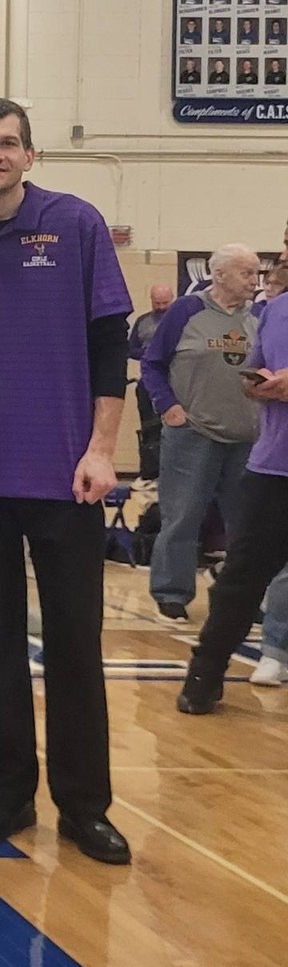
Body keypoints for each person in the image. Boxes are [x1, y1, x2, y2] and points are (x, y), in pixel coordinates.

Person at [0, 98, 133, 865]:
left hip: (66, 475)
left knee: (75, 644)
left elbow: (110, 344)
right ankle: (8, 794)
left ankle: (84, 807)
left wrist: (102, 449)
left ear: (30, 156)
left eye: (8, 143)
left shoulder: (75, 223)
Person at [180, 275, 288, 714]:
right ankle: (205, 673)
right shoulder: (276, 310)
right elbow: (254, 369)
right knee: (240, 579)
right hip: (272, 467)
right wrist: (255, 386)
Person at [141, 245, 260, 621]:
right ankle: (172, 592)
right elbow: (152, 364)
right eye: (246, 273)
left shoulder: (258, 317)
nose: (254, 281)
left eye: (256, 273)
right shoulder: (186, 311)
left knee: (247, 524)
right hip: (193, 433)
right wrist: (168, 406)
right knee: (183, 516)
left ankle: (240, 596)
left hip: (247, 438)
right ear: (219, 274)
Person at [130, 283, 176, 479]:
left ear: (172, 299)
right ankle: (149, 472)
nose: (161, 307)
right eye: (157, 303)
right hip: (147, 384)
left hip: (175, 383)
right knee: (149, 428)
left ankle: (173, 473)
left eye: (165, 302)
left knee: (174, 429)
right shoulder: (142, 322)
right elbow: (130, 349)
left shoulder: (182, 321)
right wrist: (148, 353)